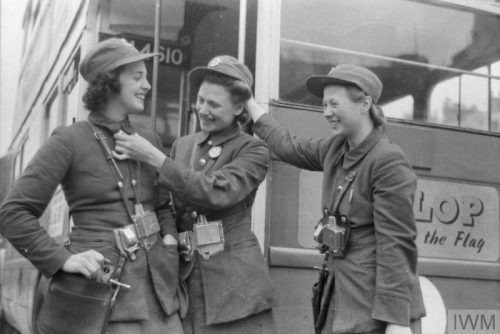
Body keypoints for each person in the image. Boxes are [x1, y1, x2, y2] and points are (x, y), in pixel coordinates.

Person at [0, 38, 183, 333]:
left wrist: (170, 240)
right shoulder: (69, 140)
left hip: (160, 300)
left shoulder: (148, 141)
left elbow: (162, 206)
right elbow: (12, 213)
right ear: (109, 83)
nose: (147, 85)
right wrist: (63, 259)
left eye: (146, 77)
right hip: (102, 301)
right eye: (137, 77)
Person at [245, 64, 426, 334]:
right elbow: (288, 146)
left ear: (365, 103)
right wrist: (249, 102)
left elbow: (396, 245)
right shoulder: (336, 149)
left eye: (333, 104)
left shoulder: (387, 161)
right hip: (339, 299)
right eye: (324, 104)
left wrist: (396, 321)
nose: (326, 112)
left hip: (375, 311)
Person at [112, 55, 279, 333]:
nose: (203, 109)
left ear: (239, 107)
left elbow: (216, 192)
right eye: (200, 100)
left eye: (214, 104)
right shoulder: (184, 145)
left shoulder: (253, 150)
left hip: (235, 289)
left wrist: (155, 157)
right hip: (186, 279)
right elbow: (166, 202)